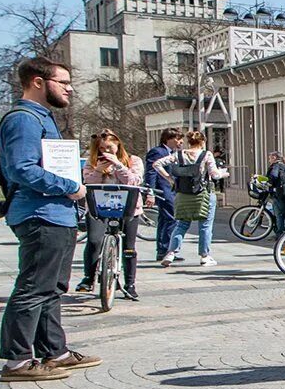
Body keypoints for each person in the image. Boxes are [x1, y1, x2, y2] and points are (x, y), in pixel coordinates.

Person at [0, 57, 101, 382]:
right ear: (38, 82)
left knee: (51, 288)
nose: (69, 89)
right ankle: (17, 361)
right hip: (40, 214)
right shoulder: (24, 119)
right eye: (63, 82)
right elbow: (21, 168)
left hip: (57, 214)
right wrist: (71, 186)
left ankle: (55, 352)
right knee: (32, 288)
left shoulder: (42, 118)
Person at [75, 129, 146, 300]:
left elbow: (134, 181)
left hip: (128, 207)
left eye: (109, 147)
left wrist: (119, 166)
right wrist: (99, 170)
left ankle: (130, 284)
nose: (105, 152)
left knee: (129, 247)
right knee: (94, 240)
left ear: (118, 144)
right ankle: (89, 277)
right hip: (99, 207)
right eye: (101, 149)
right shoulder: (92, 162)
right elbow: (87, 183)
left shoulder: (133, 160)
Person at [152, 130, 229, 267]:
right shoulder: (206, 155)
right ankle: (204, 256)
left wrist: (170, 179)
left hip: (183, 194)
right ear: (203, 142)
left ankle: (171, 253)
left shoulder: (179, 154)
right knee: (205, 225)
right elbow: (214, 174)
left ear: (189, 141)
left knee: (181, 224)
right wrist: (223, 174)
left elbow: (157, 164)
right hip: (203, 193)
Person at [144, 128, 184, 261]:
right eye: (178, 139)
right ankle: (166, 249)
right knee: (171, 218)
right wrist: (150, 192)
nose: (180, 142)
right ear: (169, 139)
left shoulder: (174, 153)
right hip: (163, 190)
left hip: (172, 190)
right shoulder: (157, 152)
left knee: (165, 219)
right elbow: (151, 172)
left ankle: (163, 249)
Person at [265, 151, 285, 234]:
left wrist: (268, 183)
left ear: (274, 157)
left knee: (279, 214)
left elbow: (273, 176)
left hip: (278, 193)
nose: (269, 161)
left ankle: (280, 233)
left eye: (270, 158)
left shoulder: (275, 166)